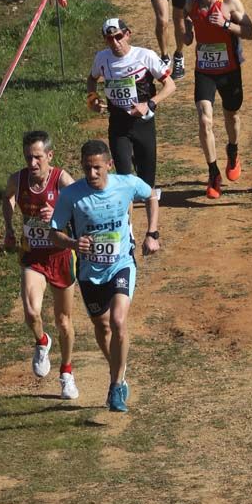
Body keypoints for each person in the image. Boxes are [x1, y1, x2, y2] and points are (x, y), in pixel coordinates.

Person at [49, 139, 160, 412]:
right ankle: (117, 371)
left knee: (119, 321)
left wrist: (152, 233)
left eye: (97, 168)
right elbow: (54, 232)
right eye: (87, 168)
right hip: (89, 273)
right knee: (103, 328)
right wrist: (74, 244)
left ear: (109, 165)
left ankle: (116, 385)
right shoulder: (71, 195)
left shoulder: (127, 183)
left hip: (121, 263)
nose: (92, 174)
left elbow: (151, 195)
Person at [2, 131, 79, 400]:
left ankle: (66, 372)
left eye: (37, 157)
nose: (32, 163)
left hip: (60, 256)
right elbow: (8, 198)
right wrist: (9, 229)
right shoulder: (18, 179)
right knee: (32, 313)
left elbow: (82, 208)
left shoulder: (62, 179)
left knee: (63, 321)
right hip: (32, 255)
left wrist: (58, 212)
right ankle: (41, 341)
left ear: (49, 156)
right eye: (27, 157)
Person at [183, 0, 252, 199]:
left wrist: (225, 24)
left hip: (229, 70)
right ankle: (213, 172)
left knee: (231, 114)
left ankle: (232, 151)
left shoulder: (229, 2)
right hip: (204, 71)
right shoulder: (190, 3)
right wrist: (187, 31)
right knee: (205, 120)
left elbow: (250, 31)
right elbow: (182, 17)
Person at [87, 16, 176, 188]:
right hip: (118, 122)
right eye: (109, 39)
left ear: (128, 34)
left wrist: (149, 104)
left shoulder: (145, 56)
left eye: (118, 37)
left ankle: (149, 204)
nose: (115, 42)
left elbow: (170, 85)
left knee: (147, 182)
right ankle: (127, 213)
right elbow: (91, 79)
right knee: (123, 178)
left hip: (143, 122)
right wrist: (93, 99)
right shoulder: (102, 58)